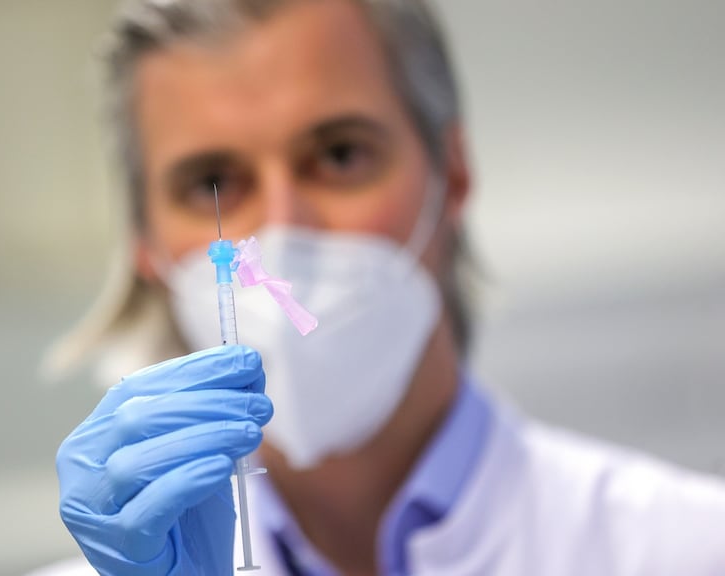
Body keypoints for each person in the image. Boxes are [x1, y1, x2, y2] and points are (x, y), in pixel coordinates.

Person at [38, 0, 725, 574]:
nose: (281, 230)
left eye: (339, 155)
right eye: (212, 183)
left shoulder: (688, 549)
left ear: (451, 175)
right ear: (144, 246)